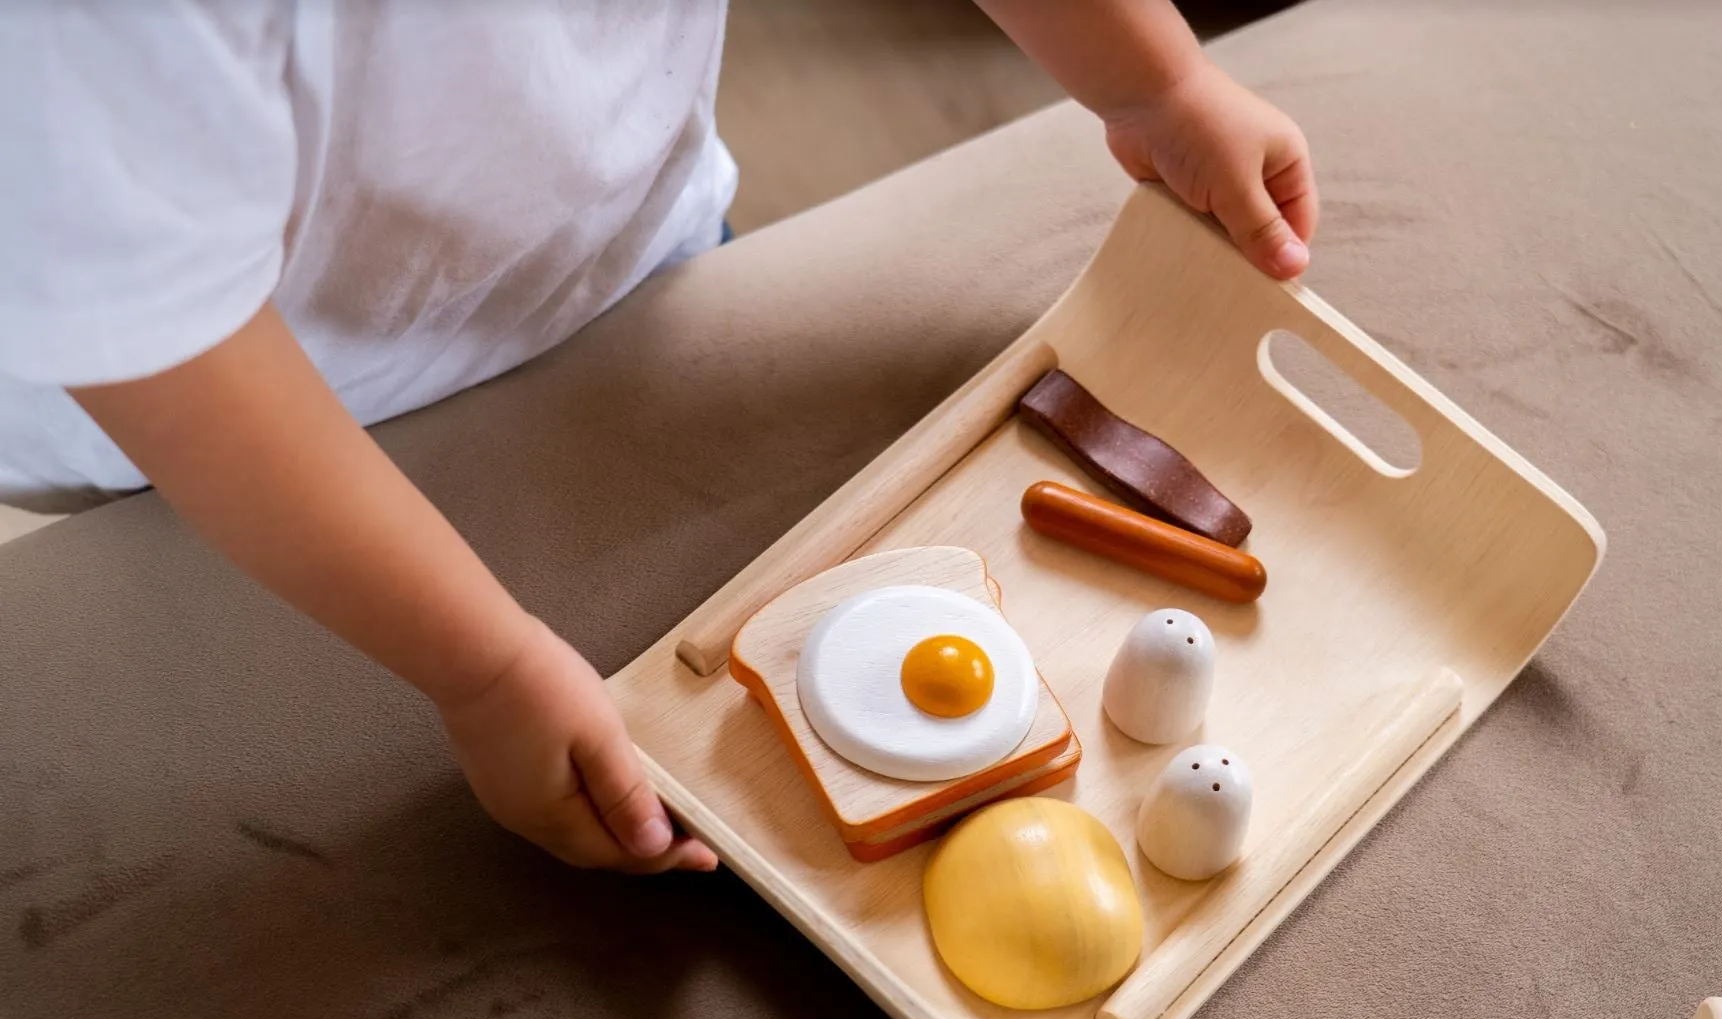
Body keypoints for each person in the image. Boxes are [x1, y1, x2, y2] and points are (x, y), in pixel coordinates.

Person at [0, 0, 1318, 875]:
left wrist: (1157, 81)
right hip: (232, 416)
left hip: (626, 245)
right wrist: (482, 667)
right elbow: (166, 349)